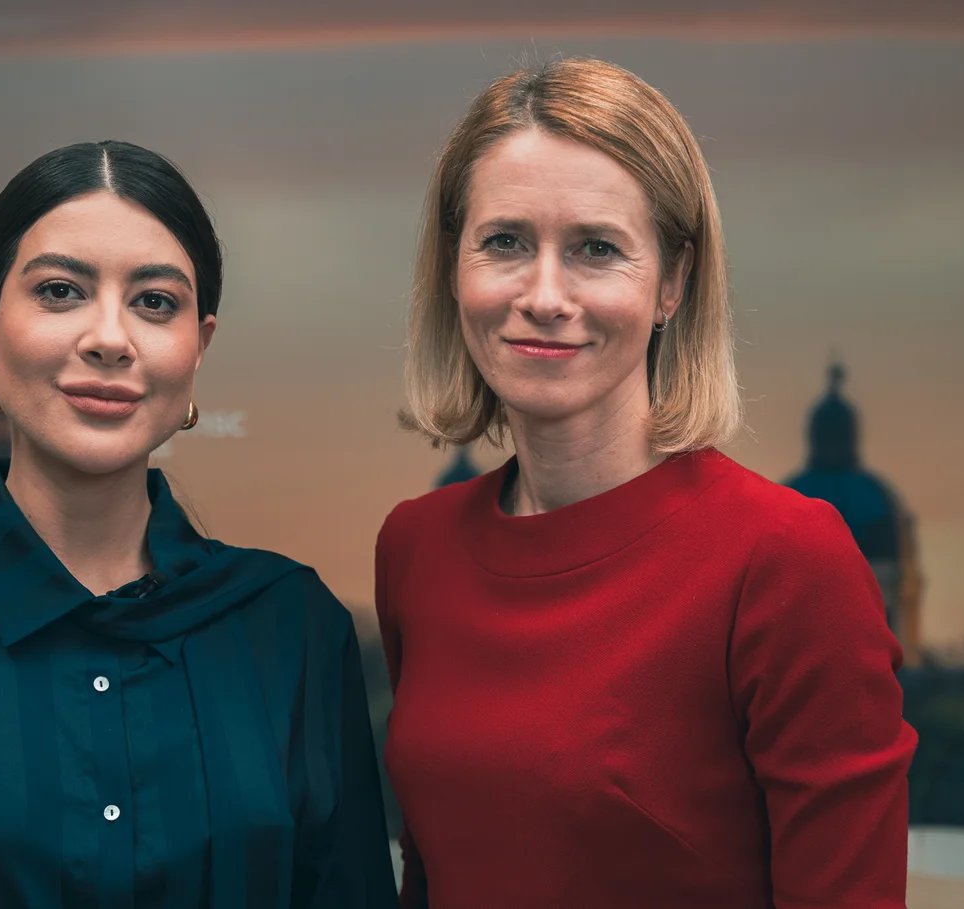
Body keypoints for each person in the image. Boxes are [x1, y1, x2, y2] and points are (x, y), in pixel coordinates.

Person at [0, 140, 397, 909]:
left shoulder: (292, 628)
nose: (108, 337)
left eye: (155, 302)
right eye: (61, 291)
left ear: (198, 346)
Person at [375, 59, 917, 908]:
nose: (544, 295)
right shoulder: (415, 545)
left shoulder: (784, 560)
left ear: (671, 281)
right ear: (454, 267)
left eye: (595, 248)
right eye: (505, 241)